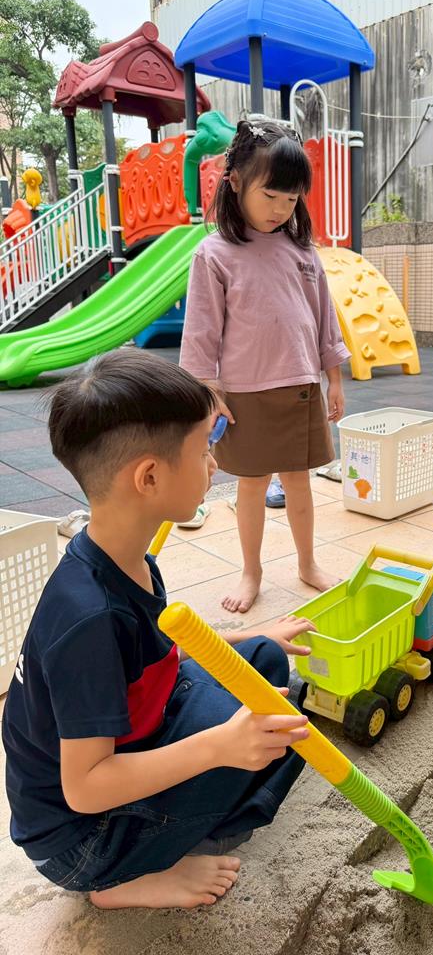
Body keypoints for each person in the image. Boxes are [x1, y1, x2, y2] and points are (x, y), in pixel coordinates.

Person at [2, 350, 315, 910]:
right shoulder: (89, 618)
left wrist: (252, 636)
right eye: (203, 451)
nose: (213, 464)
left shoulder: (123, 558)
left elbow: (156, 652)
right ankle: (118, 884)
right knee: (275, 736)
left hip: (134, 734)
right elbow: (85, 787)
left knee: (266, 668)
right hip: (82, 839)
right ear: (149, 477)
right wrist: (218, 747)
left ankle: (216, 784)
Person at [180, 118, 349, 614]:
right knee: (251, 487)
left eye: (291, 199)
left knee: (299, 482)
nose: (280, 209)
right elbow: (202, 333)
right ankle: (251, 571)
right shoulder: (214, 254)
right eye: (270, 195)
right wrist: (210, 394)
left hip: (300, 386)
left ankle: (308, 563)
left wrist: (334, 379)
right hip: (244, 393)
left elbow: (324, 319)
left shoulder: (303, 251)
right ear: (235, 182)